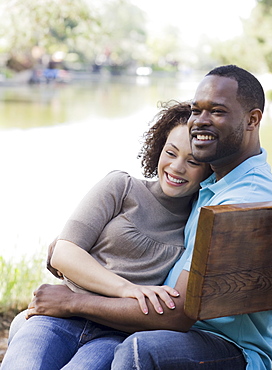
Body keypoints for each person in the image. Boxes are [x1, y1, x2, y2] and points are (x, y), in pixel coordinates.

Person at [3, 65, 272, 370]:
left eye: (217, 111)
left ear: (252, 120)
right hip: (164, 329)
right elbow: (67, 250)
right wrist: (69, 250)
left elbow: (178, 312)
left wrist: (71, 301)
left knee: (136, 350)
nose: (201, 121)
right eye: (196, 110)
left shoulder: (240, 200)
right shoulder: (212, 187)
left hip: (220, 345)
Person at [1, 101, 211, 370]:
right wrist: (127, 289)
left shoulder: (198, 223)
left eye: (192, 161)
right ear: (159, 148)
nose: (177, 167)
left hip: (116, 334)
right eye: (171, 153)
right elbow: (64, 252)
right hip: (58, 317)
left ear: (208, 169)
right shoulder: (122, 187)